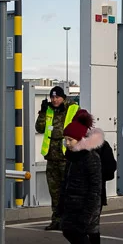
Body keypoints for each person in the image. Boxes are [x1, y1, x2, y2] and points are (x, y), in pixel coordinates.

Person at [57, 112, 104, 244]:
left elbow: (95, 188)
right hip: (71, 203)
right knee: (68, 230)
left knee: (81, 232)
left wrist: (89, 211)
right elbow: (66, 182)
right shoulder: (72, 158)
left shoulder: (90, 158)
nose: (67, 143)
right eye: (66, 139)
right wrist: (61, 204)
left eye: (71, 140)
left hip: (84, 205)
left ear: (80, 139)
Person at [35, 85, 78, 231]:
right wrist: (41, 113)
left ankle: (69, 220)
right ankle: (56, 219)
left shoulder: (72, 109)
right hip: (52, 157)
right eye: (52, 97)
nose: (54, 100)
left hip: (67, 157)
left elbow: (81, 129)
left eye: (57, 97)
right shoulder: (48, 110)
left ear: (63, 97)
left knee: (68, 190)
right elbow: (39, 128)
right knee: (54, 192)